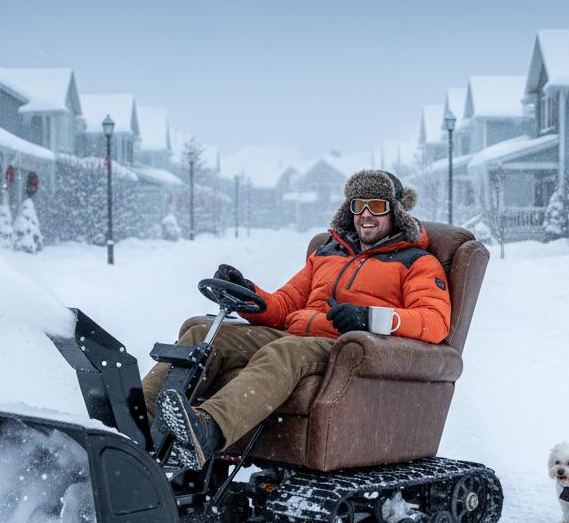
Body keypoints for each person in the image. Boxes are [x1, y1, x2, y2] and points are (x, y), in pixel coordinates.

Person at [143, 169, 451, 464]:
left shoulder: (417, 261)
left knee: (285, 351)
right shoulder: (329, 253)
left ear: (395, 212)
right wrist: (246, 290)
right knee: (205, 334)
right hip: (296, 335)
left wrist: (369, 318)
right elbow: (286, 303)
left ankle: (209, 430)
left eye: (377, 206)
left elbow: (435, 322)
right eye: (359, 206)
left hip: (343, 347)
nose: (366, 214)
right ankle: (137, 419)